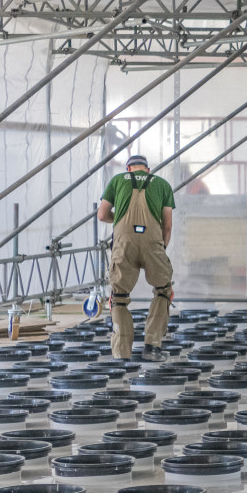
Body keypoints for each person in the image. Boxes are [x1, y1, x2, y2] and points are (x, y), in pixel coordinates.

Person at [97, 154, 175, 361]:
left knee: (119, 297)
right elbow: (167, 226)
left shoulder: (116, 181)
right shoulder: (162, 184)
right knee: (163, 291)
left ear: (128, 169)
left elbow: (102, 214)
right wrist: (160, 250)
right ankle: (152, 347)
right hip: (153, 244)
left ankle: (122, 353)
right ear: (147, 170)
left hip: (124, 244)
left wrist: (120, 220)